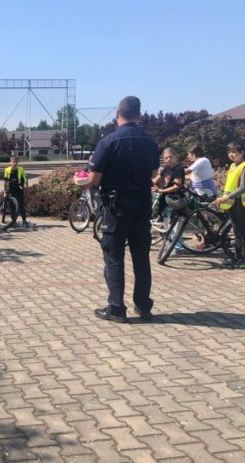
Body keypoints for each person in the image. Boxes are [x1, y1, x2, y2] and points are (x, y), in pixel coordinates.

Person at [85, 96, 160, 323]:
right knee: (141, 257)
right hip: (142, 204)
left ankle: (117, 308)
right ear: (139, 115)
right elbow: (154, 174)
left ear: (118, 113)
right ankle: (143, 305)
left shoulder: (108, 142)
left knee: (114, 256)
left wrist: (81, 182)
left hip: (116, 206)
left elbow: (94, 179)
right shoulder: (150, 142)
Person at [213, 142, 245, 269]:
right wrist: (222, 197)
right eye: (229, 152)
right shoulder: (232, 166)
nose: (231, 154)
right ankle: (238, 257)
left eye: (234, 152)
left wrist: (226, 197)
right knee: (236, 231)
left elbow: (243, 187)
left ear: (242, 152)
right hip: (232, 202)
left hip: (241, 202)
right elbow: (230, 185)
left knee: (243, 232)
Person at [151, 147, 185, 224]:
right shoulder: (166, 168)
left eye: (170, 157)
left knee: (172, 223)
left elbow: (176, 187)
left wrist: (160, 190)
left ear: (175, 156)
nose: (168, 159)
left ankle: (161, 219)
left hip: (175, 198)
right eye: (166, 158)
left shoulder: (179, 169)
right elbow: (157, 179)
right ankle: (159, 217)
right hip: (166, 196)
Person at [3, 156, 29, 228]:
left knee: (21, 205)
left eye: (16, 162)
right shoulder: (7, 170)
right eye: (13, 161)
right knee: (12, 206)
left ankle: (24, 221)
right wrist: (5, 190)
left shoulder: (20, 169)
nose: (15, 163)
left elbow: (25, 177)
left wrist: (26, 186)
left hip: (19, 189)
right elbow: (5, 181)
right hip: (11, 189)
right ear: (10, 162)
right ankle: (13, 220)